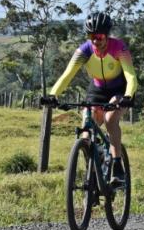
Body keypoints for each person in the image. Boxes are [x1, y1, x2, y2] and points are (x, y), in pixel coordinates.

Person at [44, 12, 137, 185]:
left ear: (107, 35)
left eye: (100, 36)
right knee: (86, 130)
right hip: (98, 88)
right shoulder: (84, 51)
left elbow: (131, 76)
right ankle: (92, 169)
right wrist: (53, 95)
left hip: (119, 89)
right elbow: (67, 75)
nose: (96, 41)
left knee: (110, 120)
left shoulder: (118, 48)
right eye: (92, 36)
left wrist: (128, 96)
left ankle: (117, 166)